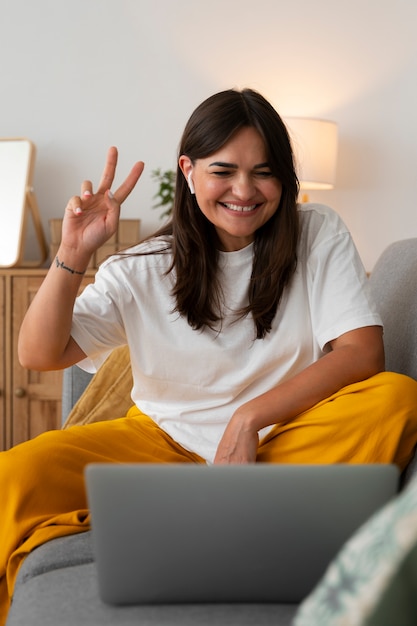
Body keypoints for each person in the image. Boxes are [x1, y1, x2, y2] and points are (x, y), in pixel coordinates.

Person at [1, 87, 417, 623]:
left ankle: (199, 513)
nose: (244, 190)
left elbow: (363, 354)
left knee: (395, 398)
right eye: (224, 170)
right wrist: (72, 253)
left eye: (263, 172)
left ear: (285, 179)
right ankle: (210, 510)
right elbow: (38, 353)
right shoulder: (144, 266)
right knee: (13, 475)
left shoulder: (318, 232)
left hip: (276, 446)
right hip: (159, 446)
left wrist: (249, 417)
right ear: (189, 171)